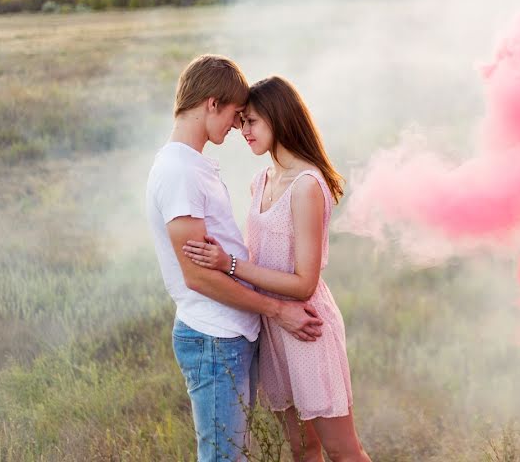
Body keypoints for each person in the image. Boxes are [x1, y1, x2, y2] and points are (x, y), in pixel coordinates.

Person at [182, 76, 371, 462]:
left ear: (279, 118)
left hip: (305, 325)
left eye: (251, 122)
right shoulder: (260, 181)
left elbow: (304, 283)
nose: (242, 131)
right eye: (241, 122)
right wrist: (225, 258)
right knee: (302, 450)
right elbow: (262, 256)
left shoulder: (306, 186)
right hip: (273, 328)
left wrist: (229, 264)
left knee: (342, 451)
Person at [146, 55, 324, 462]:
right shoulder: (179, 171)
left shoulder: (193, 165)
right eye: (234, 114)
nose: (236, 125)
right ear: (212, 103)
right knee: (224, 458)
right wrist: (278, 310)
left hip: (229, 333)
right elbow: (199, 277)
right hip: (213, 337)